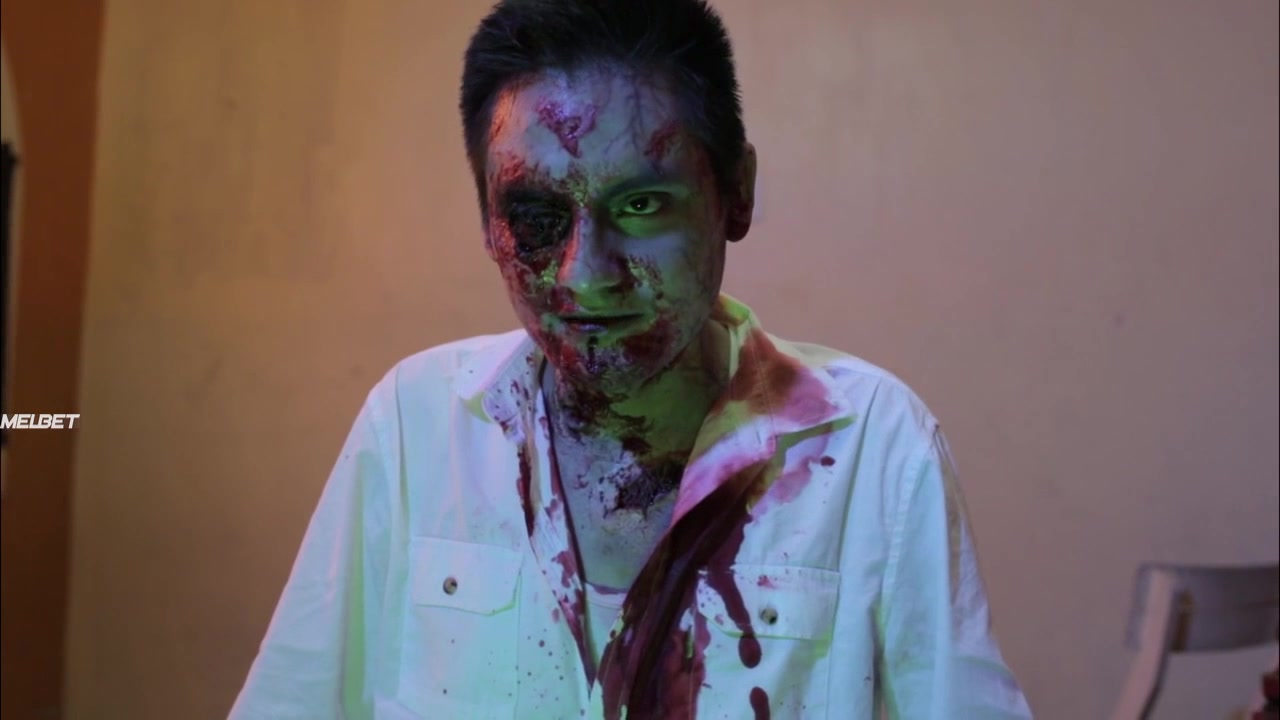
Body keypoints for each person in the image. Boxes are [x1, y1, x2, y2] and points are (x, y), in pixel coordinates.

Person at [230, 1, 1033, 718]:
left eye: (642, 204)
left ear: (737, 194)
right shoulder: (416, 425)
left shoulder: (873, 449)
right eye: (537, 215)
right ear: (486, 222)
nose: (585, 275)